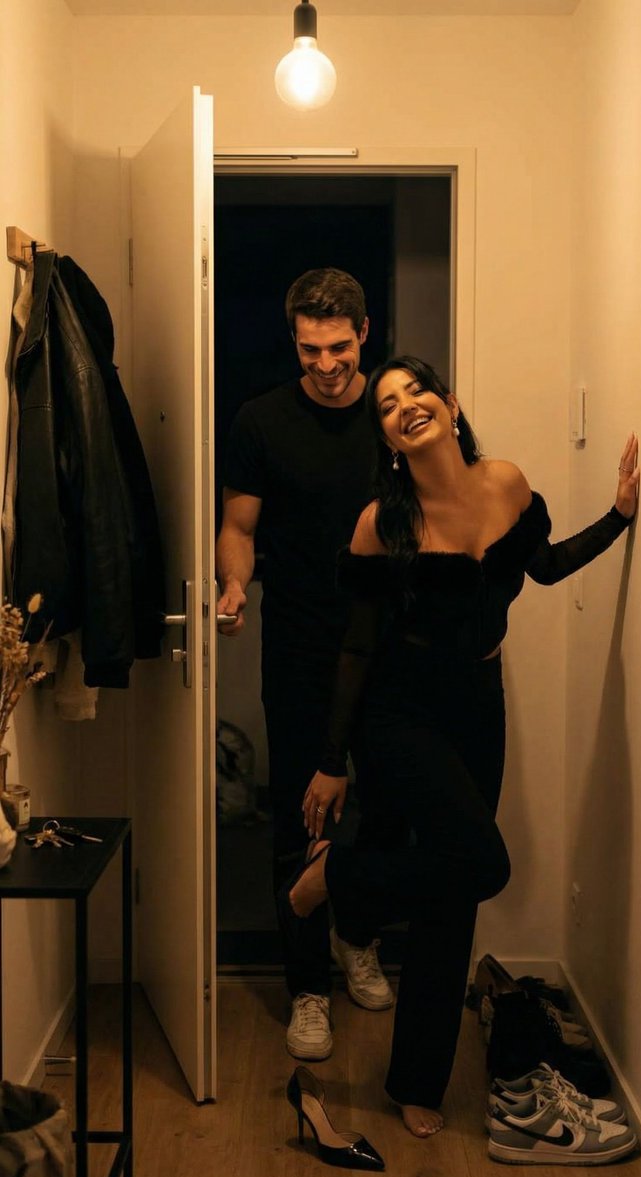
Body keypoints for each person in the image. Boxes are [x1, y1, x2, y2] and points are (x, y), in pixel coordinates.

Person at [282, 355, 639, 1139]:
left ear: (449, 404)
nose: (405, 406)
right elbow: (357, 646)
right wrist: (333, 759)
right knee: (487, 862)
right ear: (387, 438)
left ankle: (416, 1081)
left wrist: (617, 518)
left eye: (417, 391)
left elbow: (544, 567)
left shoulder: (505, 483)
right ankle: (338, 877)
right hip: (401, 712)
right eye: (387, 405)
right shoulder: (382, 523)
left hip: (480, 706)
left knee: (453, 892)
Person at [216, 268, 394, 1062]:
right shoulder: (261, 420)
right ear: (294, 341)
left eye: (339, 347)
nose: (326, 364)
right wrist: (232, 584)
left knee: (386, 804)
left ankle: (358, 937)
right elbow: (238, 526)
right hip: (297, 640)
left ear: (365, 333)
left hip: (388, 641)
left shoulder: (393, 410)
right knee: (301, 811)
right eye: (310, 349)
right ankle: (308, 986)